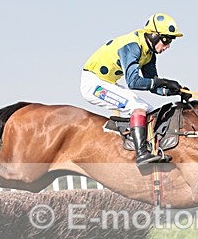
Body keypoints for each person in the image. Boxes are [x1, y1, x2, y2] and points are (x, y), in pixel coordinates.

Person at [81, 13, 188, 167]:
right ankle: (141, 155)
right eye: (166, 39)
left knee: (150, 110)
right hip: (93, 84)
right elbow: (133, 82)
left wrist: (174, 91)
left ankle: (151, 149)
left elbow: (152, 86)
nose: (168, 45)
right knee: (138, 108)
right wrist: (165, 81)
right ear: (153, 35)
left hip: (107, 82)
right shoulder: (132, 46)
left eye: (171, 40)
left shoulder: (149, 54)